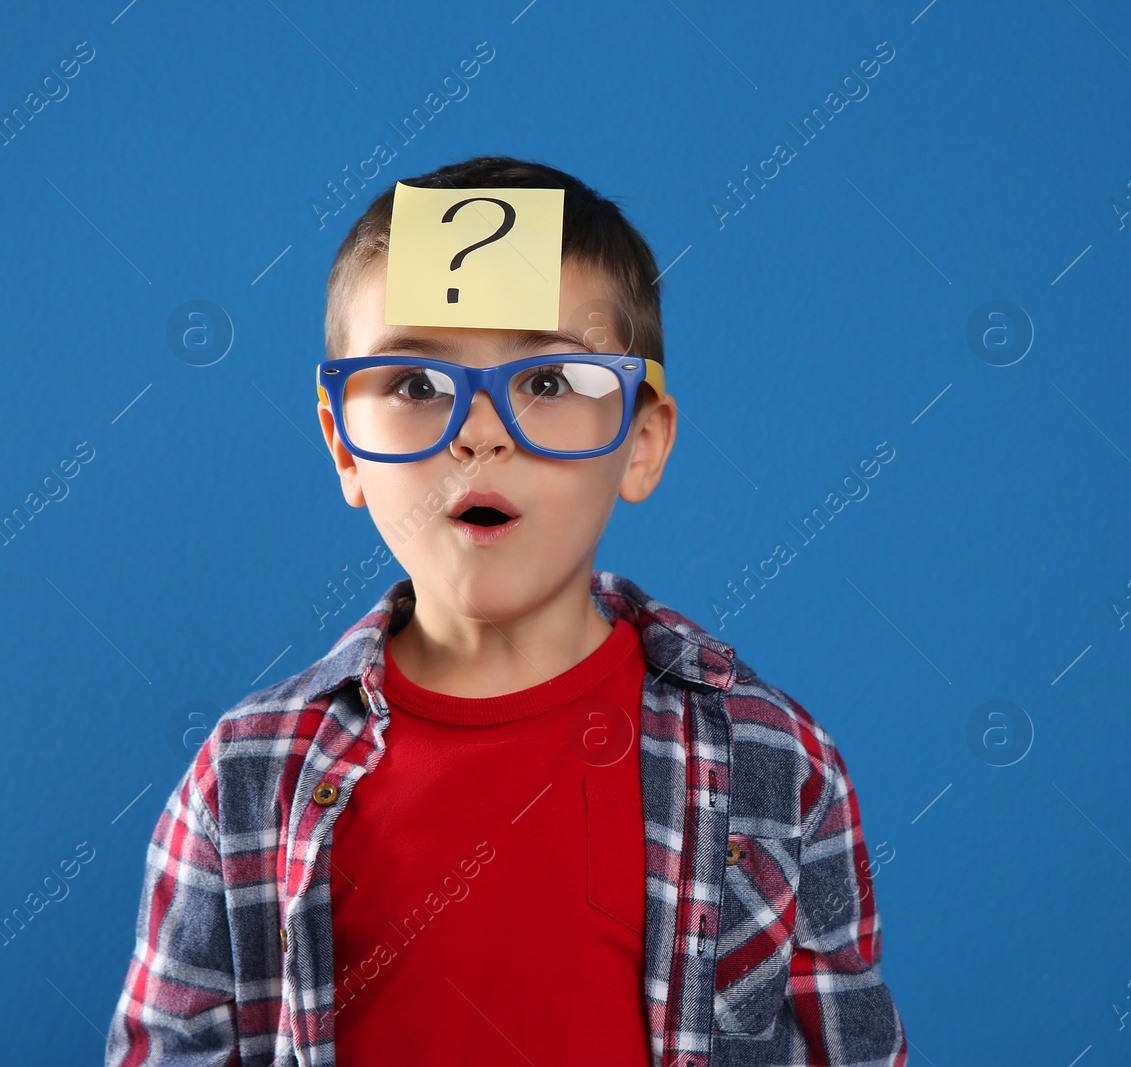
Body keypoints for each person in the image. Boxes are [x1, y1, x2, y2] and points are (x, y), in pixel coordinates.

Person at [105, 155, 907, 1066]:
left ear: (641, 443)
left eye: (552, 381)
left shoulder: (778, 764)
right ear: (344, 448)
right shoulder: (245, 780)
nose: (480, 432)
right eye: (414, 384)